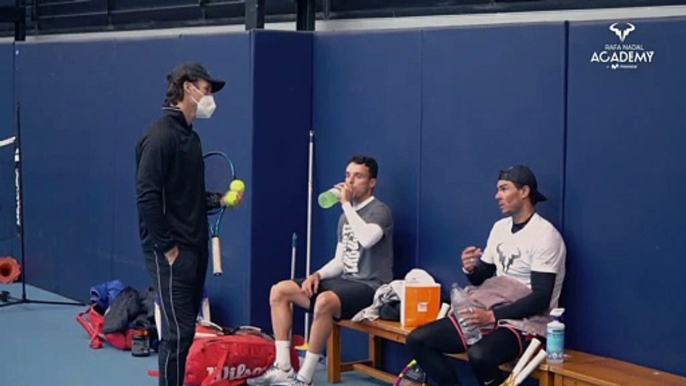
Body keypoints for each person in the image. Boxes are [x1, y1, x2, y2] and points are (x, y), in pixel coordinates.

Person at [406, 165, 566, 386]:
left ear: (524, 191)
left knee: (480, 356)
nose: (497, 196)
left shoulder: (545, 235)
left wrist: (492, 316)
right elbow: (482, 278)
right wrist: (471, 268)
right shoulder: (500, 227)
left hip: (526, 321)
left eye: (504, 189)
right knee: (418, 340)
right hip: (491, 307)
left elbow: (541, 298)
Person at [136, 61, 240, 386]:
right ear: (187, 89)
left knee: (187, 331)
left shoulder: (191, 139)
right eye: (207, 90)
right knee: (176, 334)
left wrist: (220, 200)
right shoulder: (159, 137)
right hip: (171, 253)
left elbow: (189, 196)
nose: (211, 98)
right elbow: (147, 198)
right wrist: (168, 249)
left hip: (195, 249)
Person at [248, 155, 394, 386]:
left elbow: (366, 240)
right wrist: (317, 275)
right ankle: (283, 366)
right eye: (348, 175)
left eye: (358, 176)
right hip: (346, 283)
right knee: (280, 290)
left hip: (371, 287)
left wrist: (346, 205)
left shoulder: (380, 211)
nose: (350, 181)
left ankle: (304, 378)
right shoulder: (345, 218)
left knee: (324, 301)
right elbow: (340, 260)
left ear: (372, 182)